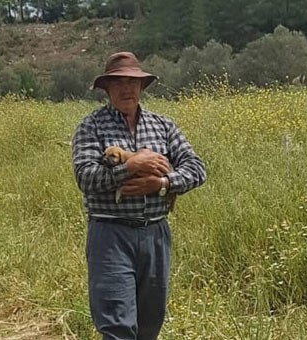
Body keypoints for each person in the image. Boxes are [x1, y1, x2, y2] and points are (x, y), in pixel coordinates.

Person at [71, 52, 206, 340]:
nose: (126, 89)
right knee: (117, 325)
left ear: (142, 87)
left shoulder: (164, 126)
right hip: (110, 233)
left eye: (133, 82)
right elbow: (85, 177)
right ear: (106, 89)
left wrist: (161, 183)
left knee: (149, 323)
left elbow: (197, 169)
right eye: (118, 82)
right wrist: (130, 167)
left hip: (155, 233)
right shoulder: (90, 127)